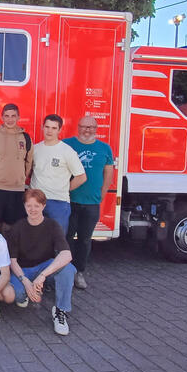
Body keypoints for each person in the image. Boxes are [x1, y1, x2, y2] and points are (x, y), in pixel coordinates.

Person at [4, 189, 76, 336]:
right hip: (22, 270)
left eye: (36, 205)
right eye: (29, 205)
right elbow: (12, 261)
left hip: (45, 267)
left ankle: (60, 311)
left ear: (43, 206)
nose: (33, 209)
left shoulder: (52, 225)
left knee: (68, 269)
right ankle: (30, 291)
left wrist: (43, 275)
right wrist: (26, 282)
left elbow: (66, 254)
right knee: (17, 294)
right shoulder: (18, 227)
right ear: (24, 206)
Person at [64, 116, 114, 289]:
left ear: (96, 128)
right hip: (69, 201)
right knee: (67, 238)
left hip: (92, 203)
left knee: (85, 240)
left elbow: (109, 173)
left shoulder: (104, 148)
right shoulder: (67, 144)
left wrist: (102, 193)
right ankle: (66, 272)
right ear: (78, 127)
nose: (87, 130)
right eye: (84, 126)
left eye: (91, 127)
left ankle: (79, 273)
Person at [30, 114, 86, 234]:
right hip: (35, 201)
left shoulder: (67, 151)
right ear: (42, 127)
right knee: (34, 239)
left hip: (58, 203)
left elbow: (81, 177)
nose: (49, 131)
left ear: (60, 130)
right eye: (47, 127)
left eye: (54, 128)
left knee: (57, 240)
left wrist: (65, 188)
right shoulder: (35, 149)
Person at [0, 103, 33, 227]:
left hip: (17, 190)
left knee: (12, 227)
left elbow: (28, 163)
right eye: (7, 116)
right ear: (2, 117)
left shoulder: (25, 138)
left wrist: (20, 178)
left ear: (18, 117)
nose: (10, 119)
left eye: (13, 116)